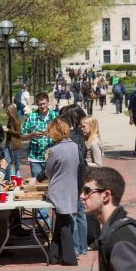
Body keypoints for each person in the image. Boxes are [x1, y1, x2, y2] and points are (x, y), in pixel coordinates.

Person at [34, 118, 79, 266]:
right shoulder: (74, 146)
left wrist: (37, 179)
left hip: (58, 189)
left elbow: (48, 172)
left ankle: (69, 257)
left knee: (63, 224)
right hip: (71, 187)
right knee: (61, 222)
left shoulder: (54, 150)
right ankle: (53, 256)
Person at [59, 104, 89, 256]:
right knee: (80, 213)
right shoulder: (79, 133)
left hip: (72, 179)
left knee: (73, 213)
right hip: (80, 178)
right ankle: (82, 246)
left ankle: (76, 247)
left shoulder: (72, 136)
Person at [21, 92, 58, 178]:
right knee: (37, 184)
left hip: (52, 157)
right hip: (35, 157)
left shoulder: (55, 116)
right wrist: (32, 135)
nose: (42, 106)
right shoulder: (31, 117)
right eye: (40, 104)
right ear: (37, 104)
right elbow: (22, 136)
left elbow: (62, 134)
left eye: (44, 103)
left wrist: (51, 134)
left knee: (52, 183)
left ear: (48, 102)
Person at [3, 103, 22, 176]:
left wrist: (8, 130)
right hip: (8, 142)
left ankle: (18, 175)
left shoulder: (16, 120)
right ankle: (9, 175)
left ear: (11, 111)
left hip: (14, 143)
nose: (6, 112)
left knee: (16, 161)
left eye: (7, 111)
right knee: (7, 159)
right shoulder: (10, 119)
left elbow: (19, 133)